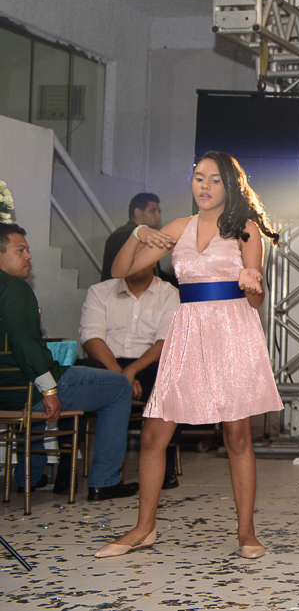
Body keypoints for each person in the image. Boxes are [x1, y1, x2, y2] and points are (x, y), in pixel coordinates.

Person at [95, 152, 283, 558]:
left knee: (236, 435)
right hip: (187, 333)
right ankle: (144, 527)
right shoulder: (178, 228)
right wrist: (139, 233)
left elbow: (255, 301)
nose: (204, 186)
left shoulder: (245, 230)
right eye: (199, 178)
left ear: (229, 185)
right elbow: (119, 271)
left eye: (214, 180)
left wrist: (254, 285)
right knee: (153, 433)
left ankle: (247, 532)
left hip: (232, 331)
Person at [0, 223, 138, 500]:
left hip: (5, 393)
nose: (29, 256)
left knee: (40, 377)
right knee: (120, 386)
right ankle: (105, 481)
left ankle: (29, 476)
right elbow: (24, 344)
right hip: (23, 391)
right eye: (20, 250)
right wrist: (49, 390)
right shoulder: (14, 288)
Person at [77, 260, 181, 489]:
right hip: (107, 362)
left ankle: (165, 462)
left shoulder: (169, 293)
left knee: (172, 377)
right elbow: (91, 337)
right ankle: (66, 468)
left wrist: (131, 371)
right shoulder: (100, 291)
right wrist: (119, 375)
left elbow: (166, 341)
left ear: (153, 261)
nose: (135, 262)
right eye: (130, 257)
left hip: (147, 364)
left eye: (142, 256)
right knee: (79, 374)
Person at [101, 193, 163, 281]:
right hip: (126, 291)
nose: (158, 216)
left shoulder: (121, 234)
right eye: (153, 211)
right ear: (137, 212)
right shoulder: (124, 236)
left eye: (158, 212)